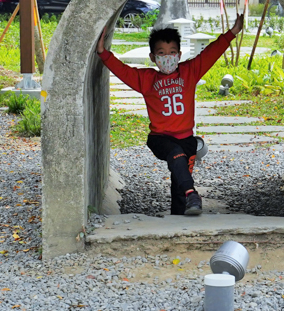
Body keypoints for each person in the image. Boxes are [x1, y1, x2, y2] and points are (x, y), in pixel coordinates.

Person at [96, 14, 244, 216]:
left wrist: (233, 32)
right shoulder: (146, 79)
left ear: (179, 54)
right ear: (153, 57)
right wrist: (103, 53)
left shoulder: (190, 72)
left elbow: (210, 53)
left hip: (187, 140)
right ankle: (193, 193)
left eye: (172, 52)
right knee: (176, 156)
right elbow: (122, 70)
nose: (168, 57)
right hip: (161, 139)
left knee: (179, 185)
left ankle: (180, 217)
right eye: (162, 53)